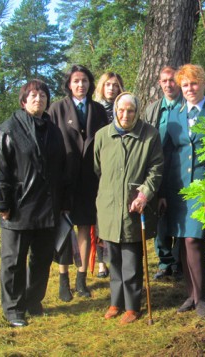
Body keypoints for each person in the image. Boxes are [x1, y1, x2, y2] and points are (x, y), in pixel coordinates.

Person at [0, 80, 68, 327]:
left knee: (42, 259)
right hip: (18, 208)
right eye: (33, 95)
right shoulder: (10, 129)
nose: (39, 99)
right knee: (13, 262)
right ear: (24, 101)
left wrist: (63, 201)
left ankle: (33, 301)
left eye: (43, 95)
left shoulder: (53, 131)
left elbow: (61, 168)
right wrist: (2, 202)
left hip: (48, 208)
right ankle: (13, 308)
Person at [161, 64, 205, 317]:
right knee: (181, 240)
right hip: (178, 187)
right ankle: (191, 294)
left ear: (203, 84)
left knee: (194, 239)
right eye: (185, 84)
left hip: (203, 187)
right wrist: (164, 193)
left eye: (194, 83)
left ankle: (201, 297)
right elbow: (168, 152)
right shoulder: (175, 113)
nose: (190, 89)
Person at [95, 92, 163, 324]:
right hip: (109, 205)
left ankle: (133, 306)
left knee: (131, 259)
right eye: (121, 110)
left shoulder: (149, 135)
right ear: (115, 110)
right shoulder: (102, 136)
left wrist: (145, 193)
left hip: (134, 206)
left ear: (137, 111)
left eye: (131, 110)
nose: (125, 115)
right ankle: (116, 302)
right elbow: (97, 168)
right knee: (112, 257)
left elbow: (156, 169)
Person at [48, 65, 108, 301]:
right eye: (76, 81)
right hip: (64, 180)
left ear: (90, 84)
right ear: (69, 84)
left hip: (90, 180)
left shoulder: (98, 109)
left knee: (85, 227)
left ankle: (81, 279)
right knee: (65, 230)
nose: (80, 85)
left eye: (84, 81)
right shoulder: (56, 109)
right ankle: (63, 280)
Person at [142, 66, 183, 280]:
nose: (169, 84)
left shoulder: (187, 105)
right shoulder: (153, 109)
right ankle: (165, 261)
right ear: (159, 83)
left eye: (172, 80)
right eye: (165, 81)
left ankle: (180, 261)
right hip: (159, 169)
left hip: (181, 169)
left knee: (182, 216)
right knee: (161, 219)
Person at [92, 72, 125, 278]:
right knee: (99, 219)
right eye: (108, 85)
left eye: (116, 85)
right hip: (100, 167)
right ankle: (101, 262)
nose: (112, 89)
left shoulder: (124, 107)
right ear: (102, 87)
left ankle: (116, 259)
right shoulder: (95, 108)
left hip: (120, 169)